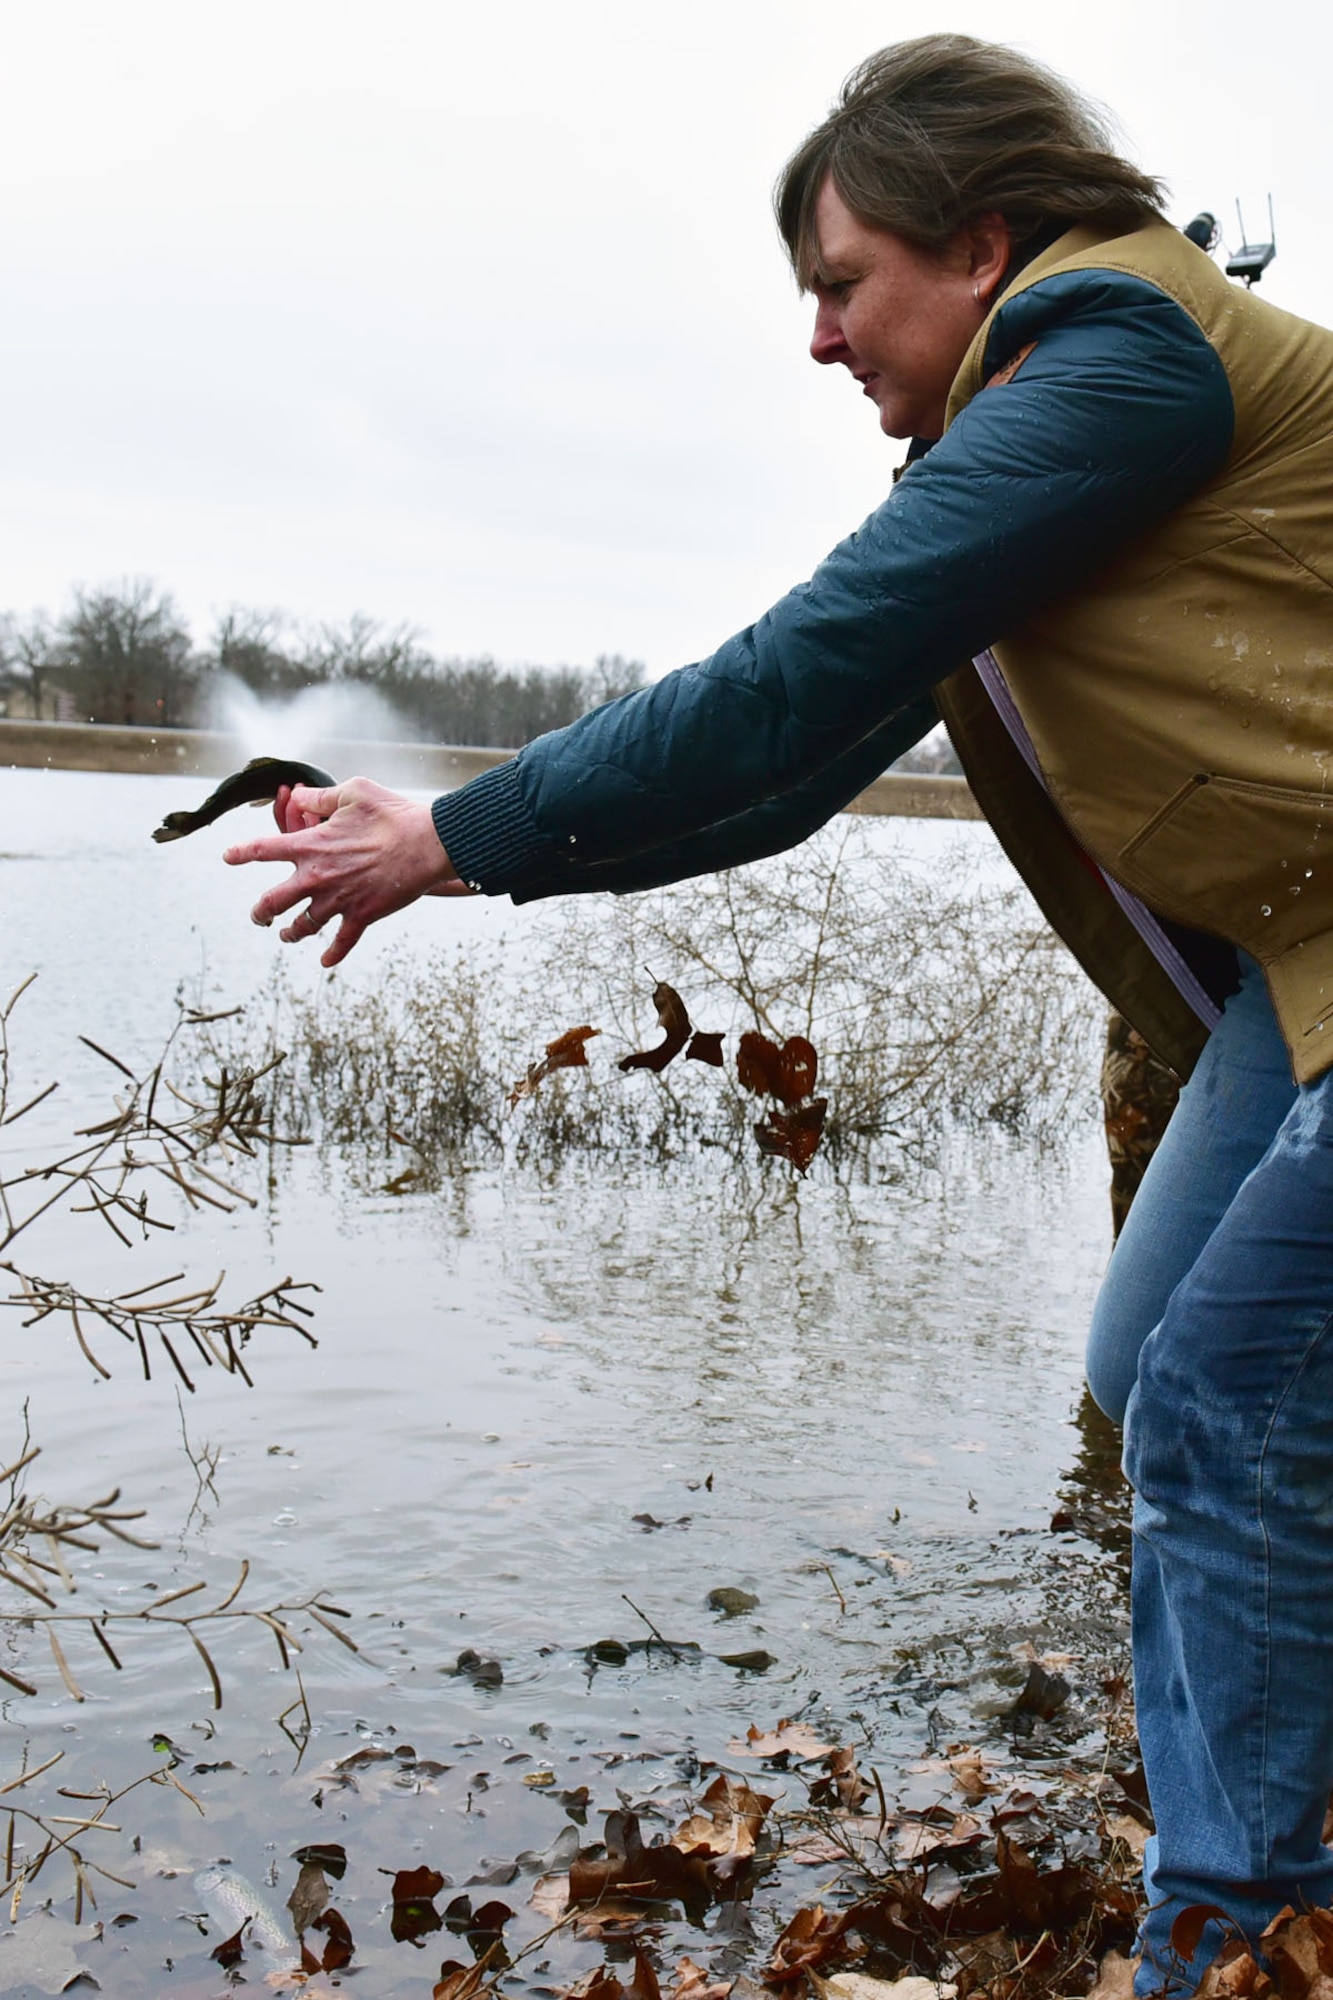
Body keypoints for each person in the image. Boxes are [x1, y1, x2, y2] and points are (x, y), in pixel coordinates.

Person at [224, 34, 1333, 1994]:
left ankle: (1222, 1932)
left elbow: (792, 660)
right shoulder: (1034, 440)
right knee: (1155, 1347)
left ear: (977, 245)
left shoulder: (1122, 364)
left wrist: (454, 827)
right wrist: (468, 859)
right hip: (1301, 958)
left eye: (839, 283)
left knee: (1224, 1393)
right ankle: (1258, 1835)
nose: (818, 338)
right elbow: (792, 759)